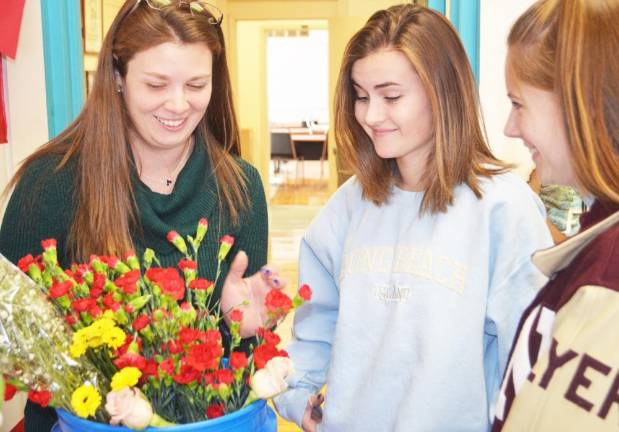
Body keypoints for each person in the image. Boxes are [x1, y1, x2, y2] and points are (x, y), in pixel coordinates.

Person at [0, 1, 281, 430]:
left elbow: (237, 377)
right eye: (156, 84)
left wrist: (244, 331)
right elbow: (13, 337)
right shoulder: (50, 183)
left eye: (196, 84)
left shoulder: (239, 187)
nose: (178, 104)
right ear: (117, 77)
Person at [274, 4, 553, 432]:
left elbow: (529, 365)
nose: (370, 115)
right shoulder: (348, 207)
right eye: (362, 96)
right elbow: (316, 330)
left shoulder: (503, 208)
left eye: (391, 96)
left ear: (441, 92)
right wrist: (300, 397)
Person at [493, 0, 619, 430]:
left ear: (575, 104)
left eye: (518, 103)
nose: (510, 127)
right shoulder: (599, 234)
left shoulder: (608, 272)